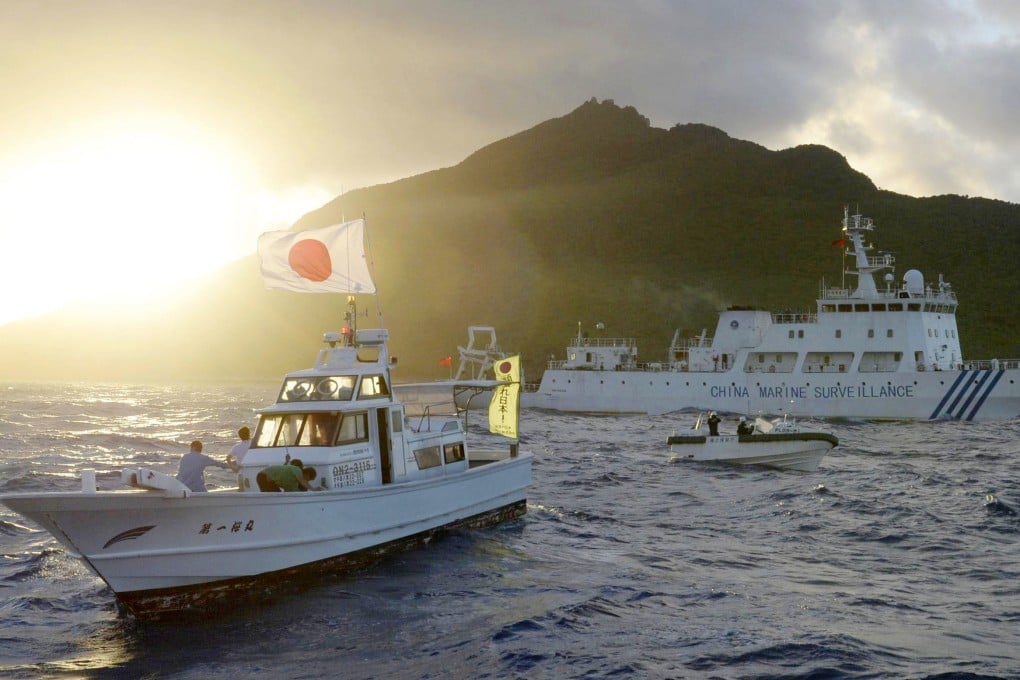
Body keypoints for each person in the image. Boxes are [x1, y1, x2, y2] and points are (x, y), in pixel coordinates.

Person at [256, 460, 321, 492]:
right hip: (263, 476)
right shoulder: (297, 470)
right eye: (308, 479)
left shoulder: (294, 484)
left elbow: (292, 493)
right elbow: (302, 481)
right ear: (307, 474)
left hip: (271, 482)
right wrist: (313, 489)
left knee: (278, 495)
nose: (307, 481)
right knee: (273, 496)